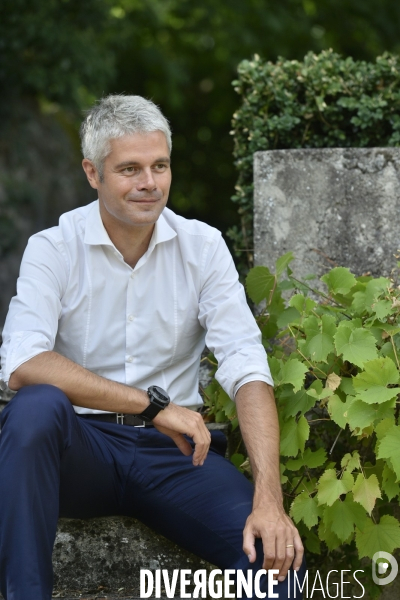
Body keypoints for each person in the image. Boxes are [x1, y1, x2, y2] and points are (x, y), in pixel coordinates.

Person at [0, 95, 305, 600]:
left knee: (276, 566)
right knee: (36, 407)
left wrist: (267, 499)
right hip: (82, 451)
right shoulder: (52, 247)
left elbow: (246, 365)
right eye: (130, 169)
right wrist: (153, 406)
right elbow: (24, 363)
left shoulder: (202, 246)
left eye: (159, 165)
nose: (149, 183)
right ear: (92, 173)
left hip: (177, 459)